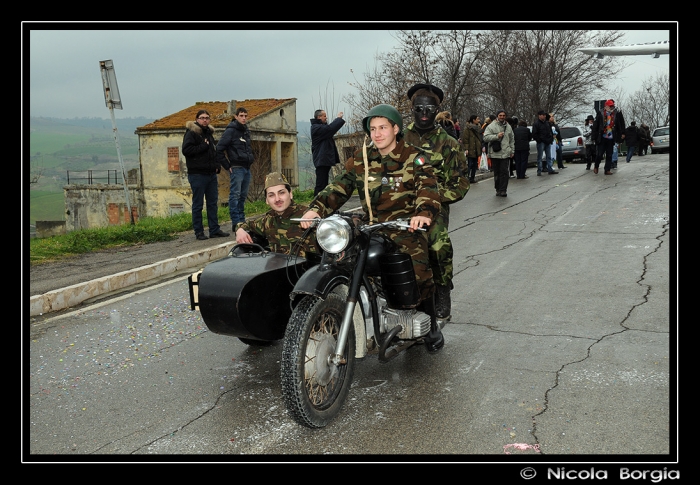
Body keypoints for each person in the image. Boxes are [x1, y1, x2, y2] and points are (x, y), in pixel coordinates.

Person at [300, 104, 445, 352]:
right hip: (370, 228)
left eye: (383, 128)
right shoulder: (361, 158)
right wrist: (317, 208)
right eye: (373, 129)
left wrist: (422, 213)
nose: (377, 134)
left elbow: (429, 189)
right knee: (337, 256)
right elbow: (338, 187)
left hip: (404, 228)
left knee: (419, 272)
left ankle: (430, 326)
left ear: (395, 128)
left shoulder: (414, 157)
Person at [403, 83, 470, 322]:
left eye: (429, 109)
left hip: (435, 208)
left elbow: (461, 182)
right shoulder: (400, 139)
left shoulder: (448, 143)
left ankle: (442, 291)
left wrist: (435, 198)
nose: (424, 113)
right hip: (402, 205)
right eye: (419, 108)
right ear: (412, 110)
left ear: (436, 110)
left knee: (437, 246)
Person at [234, 172, 318, 258]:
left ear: (290, 194)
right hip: (278, 268)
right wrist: (239, 230)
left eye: (281, 193)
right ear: (266, 200)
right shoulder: (267, 221)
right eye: (271, 195)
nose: (277, 199)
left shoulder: (307, 216)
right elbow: (246, 225)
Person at [181, 110, 230, 241]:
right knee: (198, 204)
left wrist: (217, 165)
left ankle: (214, 230)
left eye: (207, 118)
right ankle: (199, 232)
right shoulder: (191, 133)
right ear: (196, 119)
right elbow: (186, 150)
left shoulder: (209, 134)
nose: (205, 120)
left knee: (213, 203)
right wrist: (203, 146)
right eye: (202, 118)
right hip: (197, 174)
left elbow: (213, 152)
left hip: (211, 174)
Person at [216, 107, 254, 226]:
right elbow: (219, 149)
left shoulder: (245, 131)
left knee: (243, 195)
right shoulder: (231, 131)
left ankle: (242, 220)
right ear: (236, 116)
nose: (243, 118)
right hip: (236, 167)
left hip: (247, 167)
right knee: (235, 195)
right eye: (241, 115)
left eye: (245, 116)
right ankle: (236, 222)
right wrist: (227, 166)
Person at [310, 109, 345, 196]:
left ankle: (322, 205)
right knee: (320, 185)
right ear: (319, 117)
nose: (326, 118)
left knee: (324, 185)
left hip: (324, 160)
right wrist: (338, 119)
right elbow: (330, 129)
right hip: (321, 161)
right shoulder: (316, 128)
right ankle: (316, 206)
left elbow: (329, 129)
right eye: (324, 116)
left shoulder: (320, 127)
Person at [483, 109, 515, 197]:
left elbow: (511, 139)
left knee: (505, 172)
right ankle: (498, 188)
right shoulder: (491, 126)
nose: (502, 117)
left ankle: (503, 190)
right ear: (497, 116)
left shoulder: (508, 127)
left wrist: (512, 150)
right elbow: (485, 138)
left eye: (503, 115)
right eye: (500, 115)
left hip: (505, 153)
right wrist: (497, 136)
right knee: (497, 173)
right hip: (495, 153)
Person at [592, 99, 626, 175]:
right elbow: (595, 126)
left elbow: (619, 125)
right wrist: (594, 137)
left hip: (611, 137)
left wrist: (621, 134)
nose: (612, 107)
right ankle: (596, 166)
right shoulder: (600, 113)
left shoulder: (615, 114)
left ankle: (607, 169)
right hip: (602, 137)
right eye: (610, 106)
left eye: (612, 106)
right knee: (599, 154)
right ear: (606, 106)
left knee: (609, 154)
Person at [531, 110, 558, 176]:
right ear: (539, 115)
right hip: (541, 142)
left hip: (548, 142)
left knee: (549, 156)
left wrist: (551, 139)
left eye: (545, 115)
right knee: (540, 157)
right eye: (543, 115)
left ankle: (550, 169)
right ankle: (539, 170)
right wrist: (539, 140)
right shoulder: (536, 124)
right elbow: (534, 134)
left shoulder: (547, 123)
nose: (544, 116)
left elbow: (550, 132)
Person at [461, 114, 482, 184]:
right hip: (470, 148)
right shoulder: (467, 128)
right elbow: (465, 139)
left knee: (475, 165)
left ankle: (472, 177)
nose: (479, 120)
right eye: (477, 119)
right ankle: (467, 178)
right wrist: (466, 149)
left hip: (476, 148)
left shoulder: (479, 128)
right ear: (473, 120)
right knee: (469, 164)